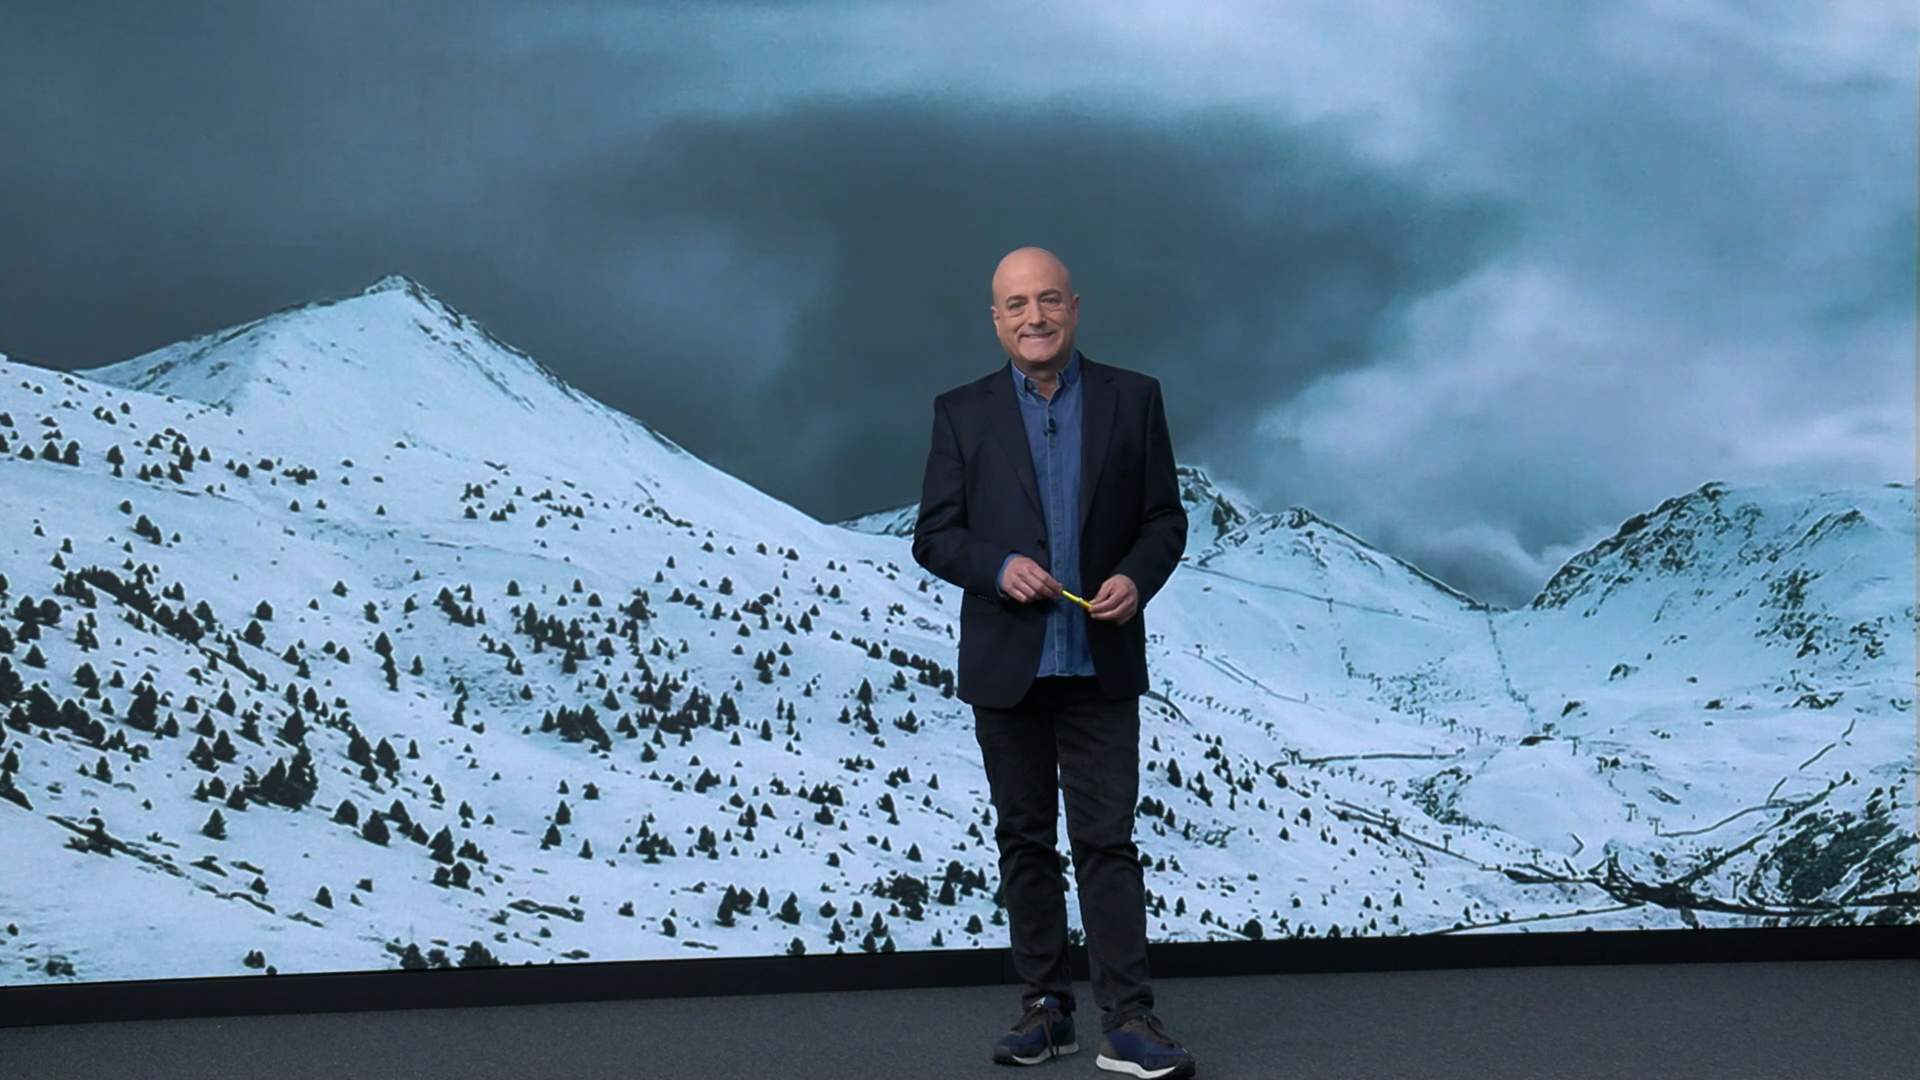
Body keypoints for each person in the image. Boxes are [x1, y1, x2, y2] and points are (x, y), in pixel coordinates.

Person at [912, 246, 1196, 1078]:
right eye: (1015, 305)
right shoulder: (959, 413)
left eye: (1048, 301)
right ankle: (1046, 1010)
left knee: (1107, 842)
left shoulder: (1134, 399)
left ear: (1075, 307)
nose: (1033, 318)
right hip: (1009, 665)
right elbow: (935, 535)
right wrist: (998, 568)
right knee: (1025, 841)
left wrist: (1136, 580)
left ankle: (1130, 1022)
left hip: (1100, 659)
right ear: (994, 319)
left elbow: (1165, 520)